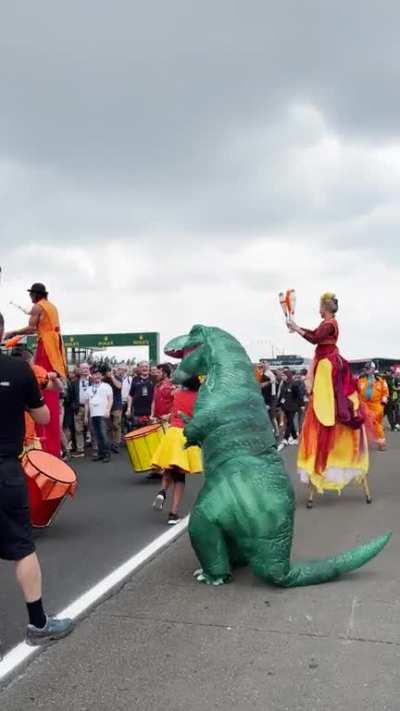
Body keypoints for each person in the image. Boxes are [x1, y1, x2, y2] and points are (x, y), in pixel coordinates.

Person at [0, 312, 73, 644]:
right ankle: (38, 624)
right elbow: (42, 415)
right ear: (2, 332)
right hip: (5, 470)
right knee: (22, 548)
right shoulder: (19, 370)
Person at [287, 292, 370, 508]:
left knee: (327, 405)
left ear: (325, 307)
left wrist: (296, 328)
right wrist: (297, 328)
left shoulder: (330, 323)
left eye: (319, 305)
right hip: (325, 365)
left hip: (328, 367)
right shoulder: (328, 324)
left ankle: (332, 409)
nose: (318, 308)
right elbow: (315, 336)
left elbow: (315, 336)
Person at [5, 283, 67, 457]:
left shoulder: (38, 306)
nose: (30, 298)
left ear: (35, 294)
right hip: (54, 346)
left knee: (40, 380)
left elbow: (32, 327)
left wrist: (12, 333)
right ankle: (54, 449)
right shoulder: (51, 306)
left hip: (46, 346)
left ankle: (44, 448)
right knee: (47, 386)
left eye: (31, 294)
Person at [151, 376, 202, 524]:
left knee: (169, 467)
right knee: (180, 476)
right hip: (185, 435)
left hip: (172, 433)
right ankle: (173, 514)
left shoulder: (177, 394)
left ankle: (162, 492)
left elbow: (173, 411)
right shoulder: (199, 398)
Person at [358, 362, 389, 451]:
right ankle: (363, 444)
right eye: (366, 368)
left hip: (376, 405)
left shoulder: (381, 380)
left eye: (369, 368)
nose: (367, 370)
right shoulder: (361, 379)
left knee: (376, 423)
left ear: (373, 369)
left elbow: (385, 392)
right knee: (363, 425)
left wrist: (383, 402)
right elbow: (357, 391)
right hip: (364, 405)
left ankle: (381, 443)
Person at [84, 369, 113, 463]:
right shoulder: (89, 388)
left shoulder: (106, 386)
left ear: (101, 376)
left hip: (103, 413)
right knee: (97, 435)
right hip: (93, 414)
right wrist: (85, 416)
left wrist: (108, 410)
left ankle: (107, 454)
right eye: (95, 375)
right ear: (91, 376)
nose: (96, 376)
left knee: (104, 434)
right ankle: (100, 453)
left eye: (98, 374)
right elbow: (87, 403)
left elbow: (110, 399)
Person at [277, 369, 303, 451]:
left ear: (288, 376)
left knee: (289, 422)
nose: (282, 377)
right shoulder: (284, 384)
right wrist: (280, 404)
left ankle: (285, 438)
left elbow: (299, 395)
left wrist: (301, 405)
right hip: (285, 406)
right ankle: (295, 437)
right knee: (289, 421)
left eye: (283, 375)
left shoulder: (294, 384)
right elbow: (282, 395)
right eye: (282, 376)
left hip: (293, 406)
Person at [103, 365, 123, 453]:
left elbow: (119, 386)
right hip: (106, 405)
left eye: (109, 370)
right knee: (108, 426)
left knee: (116, 424)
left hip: (116, 405)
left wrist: (112, 377)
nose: (108, 372)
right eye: (107, 371)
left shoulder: (117, 377)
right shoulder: (103, 380)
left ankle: (116, 443)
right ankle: (110, 443)